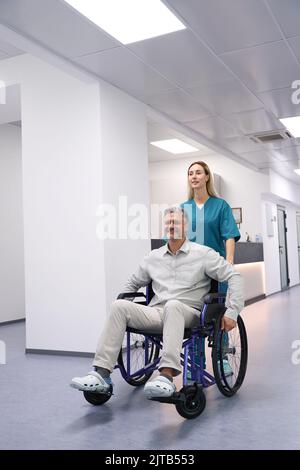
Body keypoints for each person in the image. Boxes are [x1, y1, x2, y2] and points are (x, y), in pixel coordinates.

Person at [70, 207, 244, 399]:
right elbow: (132, 283)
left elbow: (234, 276)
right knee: (118, 306)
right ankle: (101, 374)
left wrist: (232, 311)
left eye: (176, 222)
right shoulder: (153, 257)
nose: (171, 226)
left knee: (173, 305)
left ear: (186, 226)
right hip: (157, 313)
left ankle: (166, 376)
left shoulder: (203, 254)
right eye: (168, 223)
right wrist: (128, 304)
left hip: (189, 313)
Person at [181, 161, 240, 376]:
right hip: (191, 273)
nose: (194, 176)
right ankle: (196, 363)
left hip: (216, 271)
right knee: (195, 317)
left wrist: (229, 263)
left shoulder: (220, 205)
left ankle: (222, 357)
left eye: (198, 172)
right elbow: (176, 238)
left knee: (219, 316)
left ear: (207, 177)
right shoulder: (183, 208)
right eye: (190, 173)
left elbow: (229, 235)